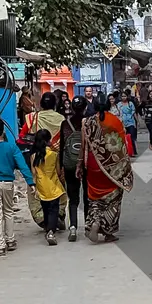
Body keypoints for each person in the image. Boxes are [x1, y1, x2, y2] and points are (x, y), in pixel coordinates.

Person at [81, 94, 134, 241]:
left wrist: (81, 165)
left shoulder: (87, 122)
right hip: (112, 167)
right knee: (113, 198)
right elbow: (122, 146)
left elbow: (84, 146)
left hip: (93, 166)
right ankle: (108, 231)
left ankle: (94, 221)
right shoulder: (115, 121)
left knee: (94, 198)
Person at [0, 116, 34, 256]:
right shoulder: (12, 147)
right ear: (3, 131)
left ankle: (0, 246)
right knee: (8, 211)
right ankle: (10, 240)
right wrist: (30, 182)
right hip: (8, 183)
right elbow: (22, 165)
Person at [30, 127, 65, 246]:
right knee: (54, 210)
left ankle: (47, 228)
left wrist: (33, 188)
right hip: (53, 186)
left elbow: (33, 174)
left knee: (45, 209)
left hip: (41, 187)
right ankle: (51, 231)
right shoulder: (54, 154)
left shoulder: (33, 156)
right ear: (48, 140)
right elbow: (59, 172)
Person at [62, 97, 89, 243]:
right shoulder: (89, 123)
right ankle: (88, 225)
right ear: (85, 108)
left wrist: (61, 166)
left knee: (73, 198)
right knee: (87, 196)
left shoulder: (65, 124)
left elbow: (61, 147)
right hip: (86, 164)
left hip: (70, 165)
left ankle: (73, 226)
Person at [119, 89, 138, 156]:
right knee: (123, 138)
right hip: (122, 123)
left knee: (131, 137)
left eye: (125, 96)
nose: (123, 97)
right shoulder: (119, 105)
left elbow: (134, 113)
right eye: (122, 96)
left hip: (130, 122)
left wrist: (136, 122)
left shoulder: (130, 104)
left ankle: (133, 151)